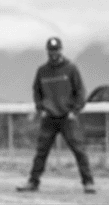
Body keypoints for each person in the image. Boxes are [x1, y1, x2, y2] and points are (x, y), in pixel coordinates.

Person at [16, 37, 96, 194]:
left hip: (68, 117)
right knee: (41, 152)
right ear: (48, 51)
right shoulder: (42, 71)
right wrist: (41, 109)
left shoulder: (71, 68)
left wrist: (74, 111)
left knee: (79, 150)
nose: (53, 53)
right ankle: (33, 182)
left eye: (56, 50)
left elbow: (80, 92)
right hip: (49, 118)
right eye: (51, 50)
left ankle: (88, 182)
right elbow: (36, 91)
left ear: (60, 50)